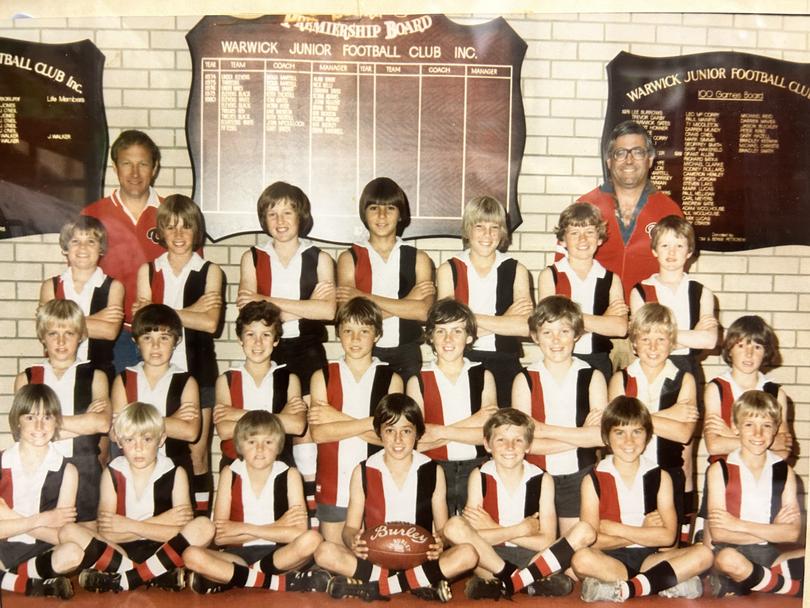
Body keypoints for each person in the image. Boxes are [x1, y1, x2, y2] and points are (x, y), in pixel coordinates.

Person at [314, 394, 478, 602]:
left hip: (421, 560)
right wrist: (353, 542)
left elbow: (443, 529)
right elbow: (350, 529)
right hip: (376, 560)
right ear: (379, 433)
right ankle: (416, 584)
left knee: (468, 554)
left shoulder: (432, 470)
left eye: (406, 431)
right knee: (324, 552)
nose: (398, 439)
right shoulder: (363, 470)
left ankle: (377, 586)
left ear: (417, 433)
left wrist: (441, 542)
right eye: (390, 431)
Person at [237, 181, 335, 519]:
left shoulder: (319, 257)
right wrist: (305, 305)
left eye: (287, 212)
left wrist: (269, 305)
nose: (280, 220)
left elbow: (328, 312)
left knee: (304, 426)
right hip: (267, 349)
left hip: (308, 349)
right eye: (272, 213)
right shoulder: (253, 257)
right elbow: (247, 312)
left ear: (300, 216)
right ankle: (273, 507)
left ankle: (309, 510)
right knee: (270, 424)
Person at [442, 408, 595, 600]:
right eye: (501, 440)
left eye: (518, 440)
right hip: (490, 560)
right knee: (453, 526)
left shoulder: (542, 479)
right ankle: (525, 582)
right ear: (487, 444)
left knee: (585, 531)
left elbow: (546, 540)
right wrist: (519, 530)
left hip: (531, 558)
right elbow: (473, 536)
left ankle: (507, 583)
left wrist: (494, 529)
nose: (510, 447)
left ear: (528, 446)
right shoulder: (479, 476)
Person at [571, 396, 713, 602]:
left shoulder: (660, 476)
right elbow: (593, 541)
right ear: (607, 438)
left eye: (637, 432)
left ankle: (625, 587)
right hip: (611, 559)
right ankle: (660, 583)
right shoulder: (593, 479)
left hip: (650, 559)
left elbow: (667, 537)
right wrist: (645, 531)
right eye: (620, 433)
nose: (629, 442)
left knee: (705, 554)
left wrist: (617, 528)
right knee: (581, 560)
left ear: (647, 436)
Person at [629, 215, 718, 541]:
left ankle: (683, 529)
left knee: (684, 452)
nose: (671, 251)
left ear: (690, 251)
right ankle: (644, 519)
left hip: (685, 371)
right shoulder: (641, 290)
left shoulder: (701, 292)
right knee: (641, 441)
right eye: (664, 245)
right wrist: (685, 335)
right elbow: (640, 335)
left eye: (679, 245)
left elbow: (709, 341)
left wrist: (662, 333)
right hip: (649, 368)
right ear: (654, 250)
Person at [62, 402, 213, 593]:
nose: (138, 448)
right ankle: (152, 574)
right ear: (119, 441)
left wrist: (129, 525)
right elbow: (108, 533)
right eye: (130, 440)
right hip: (122, 552)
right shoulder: (113, 472)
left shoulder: (175, 472)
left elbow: (182, 530)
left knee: (205, 527)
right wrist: (161, 523)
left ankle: (130, 577)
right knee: (68, 531)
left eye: (147, 439)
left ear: (161, 439)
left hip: (164, 550)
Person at [134, 194, 224, 516]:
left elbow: (211, 323)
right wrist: (190, 312)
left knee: (198, 455)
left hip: (200, 371)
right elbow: (141, 324)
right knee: (158, 451)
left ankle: (199, 526)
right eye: (171, 227)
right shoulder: (148, 270)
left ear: (196, 230)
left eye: (186, 226)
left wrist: (161, 312)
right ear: (161, 231)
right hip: (157, 374)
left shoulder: (211, 271)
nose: (179, 234)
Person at [183, 411, 328, 594]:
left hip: (278, 555)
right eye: (252, 442)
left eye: (268, 442)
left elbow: (298, 533)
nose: (260, 449)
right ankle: (272, 582)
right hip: (237, 556)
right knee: (190, 555)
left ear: (278, 446)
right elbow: (220, 536)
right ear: (240, 446)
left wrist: (246, 529)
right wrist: (277, 526)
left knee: (313, 539)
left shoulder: (289, 474)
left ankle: (238, 578)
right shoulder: (230, 473)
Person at [307, 297, 403, 544]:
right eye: (348, 331)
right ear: (338, 334)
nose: (355, 339)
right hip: (333, 480)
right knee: (333, 557)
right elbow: (319, 434)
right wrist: (373, 423)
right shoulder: (323, 376)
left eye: (364, 331)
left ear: (377, 335)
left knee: (376, 558)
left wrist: (335, 418)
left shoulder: (391, 379)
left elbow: (393, 440)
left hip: (379, 481)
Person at [512, 296, 607, 535]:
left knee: (571, 553)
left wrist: (542, 429)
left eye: (564, 331)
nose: (556, 340)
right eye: (547, 333)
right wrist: (580, 435)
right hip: (535, 474)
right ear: (535, 337)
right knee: (538, 551)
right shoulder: (525, 379)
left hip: (579, 475)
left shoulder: (592, 376)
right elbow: (524, 444)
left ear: (576, 334)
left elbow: (600, 438)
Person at [14, 299, 111, 525]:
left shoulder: (95, 376)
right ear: (42, 337)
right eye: (52, 333)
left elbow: (102, 424)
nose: (60, 341)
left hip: (85, 466)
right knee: (44, 535)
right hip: (38, 466)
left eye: (68, 333)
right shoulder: (27, 377)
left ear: (80, 336)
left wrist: (44, 422)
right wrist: (83, 423)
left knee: (86, 539)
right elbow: (21, 433)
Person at [608, 304, 698, 536]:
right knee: (630, 539)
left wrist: (634, 417)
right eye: (646, 339)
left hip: (669, 471)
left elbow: (683, 434)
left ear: (672, 342)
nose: (653, 347)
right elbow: (615, 427)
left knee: (667, 542)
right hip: (628, 473)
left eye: (661, 339)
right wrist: (670, 415)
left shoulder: (684, 379)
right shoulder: (621, 379)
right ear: (635, 343)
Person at [81, 130, 165, 372]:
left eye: (143, 164)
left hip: (161, 334)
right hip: (111, 336)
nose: (135, 173)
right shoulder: (93, 215)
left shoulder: (172, 214)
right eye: (127, 164)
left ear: (155, 168)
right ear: (116, 168)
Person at [437, 195, 533, 407]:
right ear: (468, 230)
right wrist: (505, 320)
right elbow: (447, 331)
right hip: (461, 361)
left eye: (494, 227)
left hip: (505, 362)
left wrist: (467, 321)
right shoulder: (449, 270)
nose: (487, 235)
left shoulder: (516, 269)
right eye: (479, 226)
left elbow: (526, 328)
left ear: (502, 232)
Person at [706, 390, 803, 598]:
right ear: (735, 427)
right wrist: (774, 529)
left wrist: (738, 524)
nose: (758, 434)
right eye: (749, 425)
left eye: (766, 426)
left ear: (776, 429)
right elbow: (720, 533)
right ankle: (794, 589)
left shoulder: (783, 470)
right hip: (732, 552)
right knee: (727, 559)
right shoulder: (720, 470)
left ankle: (752, 582)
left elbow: (792, 533)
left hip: (770, 553)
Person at [337, 177, 435, 381]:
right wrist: (407, 303)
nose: (382, 215)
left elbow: (425, 313)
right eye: (374, 208)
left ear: (400, 214)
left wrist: (363, 297)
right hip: (365, 353)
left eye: (390, 208)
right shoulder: (349, 258)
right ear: (364, 213)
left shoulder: (418, 258)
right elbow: (349, 318)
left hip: (407, 353)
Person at [406, 298, 497, 515]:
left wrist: (437, 431)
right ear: (430, 336)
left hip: (478, 465)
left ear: (469, 337)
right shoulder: (418, 380)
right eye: (440, 331)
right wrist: (473, 424)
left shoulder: (483, 376)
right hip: (433, 466)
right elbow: (417, 440)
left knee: (473, 536)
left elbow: (490, 436)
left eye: (457, 331)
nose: (448, 339)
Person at [577, 120, 683, 302]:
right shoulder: (585, 206)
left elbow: (677, 273)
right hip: (595, 315)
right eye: (620, 153)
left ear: (650, 159)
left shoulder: (669, 211)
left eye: (638, 152)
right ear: (609, 161)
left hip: (649, 318)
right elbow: (562, 267)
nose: (629, 160)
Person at [0, 385, 80, 599]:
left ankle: (9, 579)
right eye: (30, 417)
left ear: (56, 422)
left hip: (41, 550)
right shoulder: (1, 462)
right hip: (3, 548)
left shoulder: (68, 470)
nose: (39, 425)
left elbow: (59, 535)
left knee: (73, 553)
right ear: (17, 420)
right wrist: (43, 518)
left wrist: (12, 518)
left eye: (47, 417)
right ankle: (33, 585)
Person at [538, 203, 627, 381]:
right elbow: (548, 325)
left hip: (599, 361)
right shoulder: (551, 276)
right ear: (563, 240)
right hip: (560, 360)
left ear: (600, 238)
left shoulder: (611, 279)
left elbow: (620, 328)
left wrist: (569, 320)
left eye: (589, 232)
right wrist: (603, 321)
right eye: (574, 233)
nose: (583, 239)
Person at [111, 304, 200, 481]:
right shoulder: (124, 379)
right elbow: (115, 433)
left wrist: (134, 421)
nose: (156, 345)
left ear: (177, 341)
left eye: (164, 338)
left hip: (176, 470)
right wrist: (171, 421)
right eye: (147, 338)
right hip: (132, 470)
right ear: (136, 341)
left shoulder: (186, 381)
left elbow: (190, 432)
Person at [213, 301, 307, 469]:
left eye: (266, 335)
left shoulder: (289, 379)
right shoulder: (226, 380)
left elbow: (298, 426)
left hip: (279, 466)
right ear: (240, 339)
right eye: (250, 334)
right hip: (235, 466)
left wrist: (239, 414)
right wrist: (280, 419)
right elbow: (224, 430)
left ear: (276, 340)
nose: (258, 342)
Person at [39, 216, 124, 381]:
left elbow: (110, 332)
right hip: (56, 373)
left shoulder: (114, 287)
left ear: (101, 248)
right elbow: (45, 329)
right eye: (75, 241)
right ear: (65, 248)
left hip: (99, 375)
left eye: (91, 241)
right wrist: (96, 319)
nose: (83, 247)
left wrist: (61, 322)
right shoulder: (51, 286)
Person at [704, 315, 792, 461]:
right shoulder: (716, 389)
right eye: (741, 345)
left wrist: (730, 436)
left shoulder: (776, 394)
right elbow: (714, 446)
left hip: (765, 474)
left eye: (757, 347)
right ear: (729, 349)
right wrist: (769, 443)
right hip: (725, 473)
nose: (749, 354)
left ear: (765, 353)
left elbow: (783, 451)